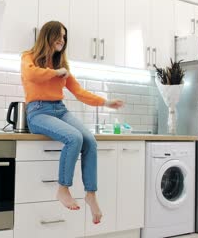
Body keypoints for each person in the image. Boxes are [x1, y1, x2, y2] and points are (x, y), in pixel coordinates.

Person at [20, 21, 124, 224]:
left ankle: (91, 194)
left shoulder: (62, 66)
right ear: (47, 35)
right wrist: (55, 73)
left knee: (90, 141)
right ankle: (63, 188)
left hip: (60, 109)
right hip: (38, 112)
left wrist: (106, 102)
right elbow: (31, 74)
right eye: (58, 35)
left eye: (64, 36)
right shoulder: (29, 57)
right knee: (74, 137)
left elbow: (79, 92)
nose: (62, 39)